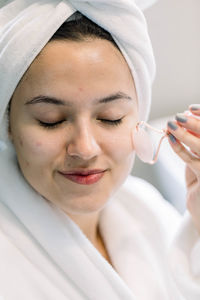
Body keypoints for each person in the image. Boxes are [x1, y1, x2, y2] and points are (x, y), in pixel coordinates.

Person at [0, 0, 200, 299]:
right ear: (9, 125)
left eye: (111, 118)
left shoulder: (146, 211)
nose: (85, 148)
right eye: (50, 121)